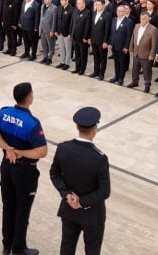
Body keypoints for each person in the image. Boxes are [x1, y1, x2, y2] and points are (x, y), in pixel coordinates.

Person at [0, 83, 48, 255]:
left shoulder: (3, 113)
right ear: (29, 98)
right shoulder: (32, 123)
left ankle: (7, 245)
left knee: (8, 207)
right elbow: (42, 151)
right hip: (25, 172)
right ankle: (19, 248)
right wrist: (19, 152)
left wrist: (7, 148)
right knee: (22, 210)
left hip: (6, 166)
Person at [49, 107, 110, 255]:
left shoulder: (63, 148)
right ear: (95, 129)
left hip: (68, 209)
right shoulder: (99, 158)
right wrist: (81, 202)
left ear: (77, 127)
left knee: (67, 248)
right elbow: (104, 191)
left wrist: (66, 194)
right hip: (92, 214)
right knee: (92, 250)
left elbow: (54, 174)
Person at [128, 11, 158, 93]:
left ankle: (147, 85)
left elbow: (154, 44)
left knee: (146, 71)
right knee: (135, 68)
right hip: (136, 52)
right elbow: (132, 38)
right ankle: (135, 81)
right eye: (141, 18)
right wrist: (131, 49)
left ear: (149, 19)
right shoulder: (137, 26)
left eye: (144, 19)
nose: (142, 20)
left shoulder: (153, 29)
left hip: (146, 54)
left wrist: (152, 54)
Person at [108, 5, 133, 85]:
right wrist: (110, 43)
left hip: (122, 46)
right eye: (118, 11)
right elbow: (111, 32)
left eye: (121, 11)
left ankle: (121, 78)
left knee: (122, 63)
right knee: (116, 62)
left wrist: (126, 46)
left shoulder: (128, 22)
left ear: (125, 12)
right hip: (114, 45)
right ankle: (116, 76)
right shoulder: (114, 20)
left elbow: (129, 36)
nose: (119, 13)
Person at [71, 0, 92, 75]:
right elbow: (72, 23)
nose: (78, 5)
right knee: (77, 54)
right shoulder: (75, 11)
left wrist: (85, 37)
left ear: (84, 4)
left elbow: (87, 26)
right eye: (77, 3)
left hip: (82, 38)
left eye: (80, 3)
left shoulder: (88, 13)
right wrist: (71, 34)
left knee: (83, 54)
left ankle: (82, 69)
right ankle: (77, 67)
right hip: (75, 37)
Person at [54, 0, 75, 70]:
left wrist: (70, 33)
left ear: (67, 0)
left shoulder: (72, 9)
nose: (61, 2)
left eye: (62, 0)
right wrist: (56, 30)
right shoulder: (59, 8)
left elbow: (72, 23)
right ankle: (62, 62)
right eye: (60, 0)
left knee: (68, 48)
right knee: (61, 48)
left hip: (67, 33)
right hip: (60, 32)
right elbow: (57, 20)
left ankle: (67, 63)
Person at [38, 0, 56, 64]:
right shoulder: (42, 6)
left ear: (51, 0)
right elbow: (41, 17)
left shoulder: (54, 8)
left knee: (51, 45)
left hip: (49, 30)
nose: (45, 0)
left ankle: (50, 58)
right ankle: (45, 57)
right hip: (42, 29)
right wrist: (40, 28)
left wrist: (52, 30)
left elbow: (54, 21)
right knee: (44, 45)